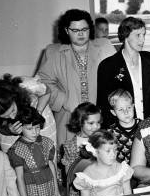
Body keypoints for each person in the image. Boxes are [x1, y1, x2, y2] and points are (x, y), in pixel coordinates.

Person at [37, 9, 115, 147]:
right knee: (71, 162)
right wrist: (64, 101)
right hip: (69, 118)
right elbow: (43, 81)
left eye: (84, 29)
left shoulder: (103, 49)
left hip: (98, 120)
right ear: (66, 30)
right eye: (75, 30)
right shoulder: (54, 53)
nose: (80, 33)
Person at [97, 16, 150, 125]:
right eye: (138, 35)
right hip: (122, 129)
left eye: (144, 35)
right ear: (125, 36)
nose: (142, 40)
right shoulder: (107, 66)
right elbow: (104, 105)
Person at [61, 102, 102, 196]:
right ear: (80, 122)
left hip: (102, 189)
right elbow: (70, 176)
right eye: (91, 123)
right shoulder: (70, 146)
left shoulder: (101, 141)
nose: (95, 127)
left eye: (98, 122)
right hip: (80, 193)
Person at [106, 89, 141, 164]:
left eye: (129, 107)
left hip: (142, 170)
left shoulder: (145, 126)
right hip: (121, 171)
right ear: (113, 112)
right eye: (121, 109)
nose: (126, 112)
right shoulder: (110, 132)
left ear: (133, 106)